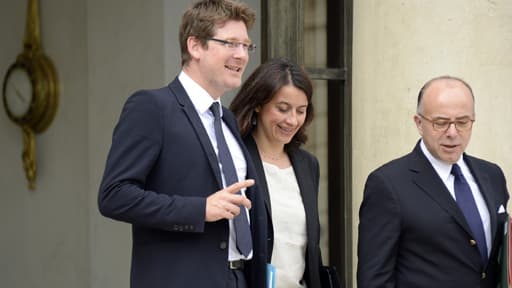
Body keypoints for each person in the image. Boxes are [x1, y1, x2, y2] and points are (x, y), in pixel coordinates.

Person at [97, 1, 267, 287]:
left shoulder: (226, 118)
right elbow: (114, 195)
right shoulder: (152, 108)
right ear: (195, 46)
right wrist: (200, 209)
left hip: (239, 277)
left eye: (246, 46)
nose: (241, 56)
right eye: (230, 44)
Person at [357, 75, 509, 287]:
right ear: (419, 123)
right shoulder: (387, 185)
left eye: (463, 122)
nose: (453, 133)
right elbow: (374, 279)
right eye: (441, 123)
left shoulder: (492, 175)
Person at [230, 57, 323, 287]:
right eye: (282, 109)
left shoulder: (307, 164)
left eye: (300, 111)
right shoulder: (236, 158)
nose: (292, 120)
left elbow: (310, 247)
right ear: (259, 104)